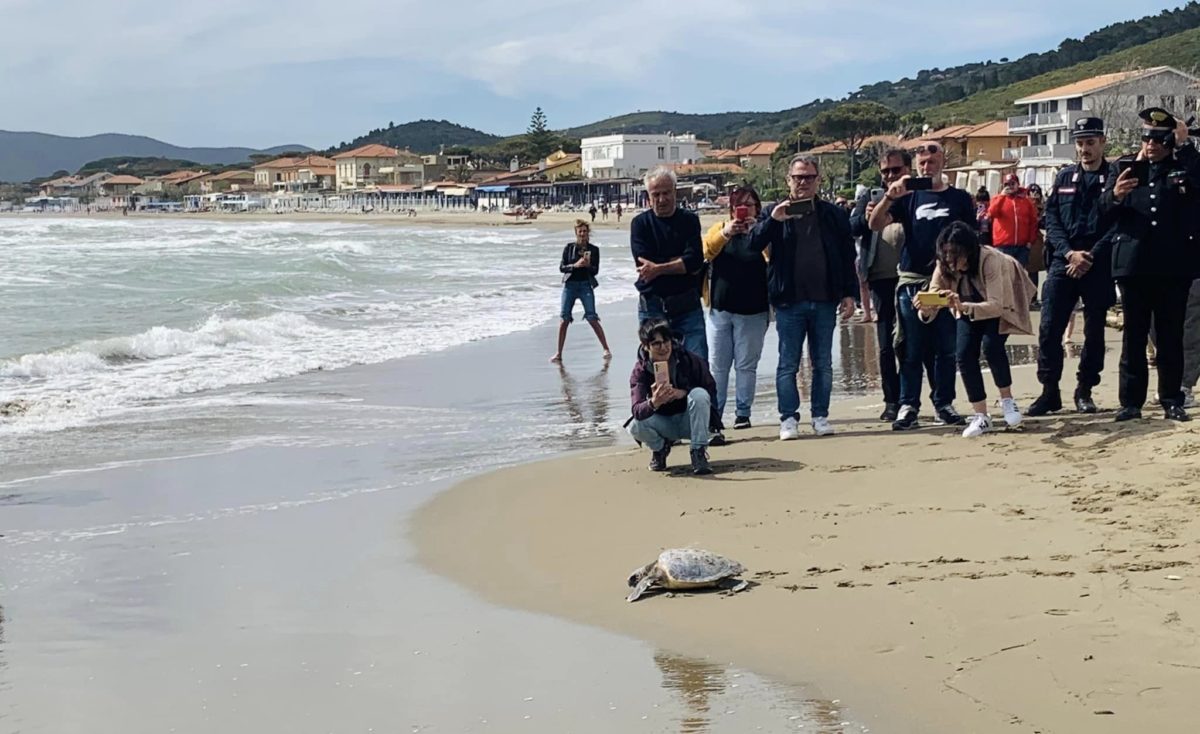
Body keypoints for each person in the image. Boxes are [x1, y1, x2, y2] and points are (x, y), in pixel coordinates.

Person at [1101, 107, 1200, 422]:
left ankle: (1172, 398)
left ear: (1170, 140)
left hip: (1173, 265)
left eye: (1158, 138)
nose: (1151, 144)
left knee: (1171, 335)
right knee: (1134, 334)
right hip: (1134, 265)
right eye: (1146, 137)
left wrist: (1185, 147)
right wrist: (1115, 196)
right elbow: (1101, 212)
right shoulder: (1125, 169)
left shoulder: (1183, 165)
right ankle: (1131, 402)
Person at [868, 141, 976, 430]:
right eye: (922, 163)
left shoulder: (960, 199)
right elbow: (875, 224)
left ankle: (944, 403)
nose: (927, 167)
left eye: (932, 161)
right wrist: (889, 198)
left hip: (947, 284)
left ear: (942, 161)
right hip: (913, 283)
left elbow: (973, 239)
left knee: (945, 349)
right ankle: (908, 406)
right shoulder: (907, 198)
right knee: (910, 348)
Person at [749, 154, 857, 439]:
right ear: (789, 180)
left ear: (818, 180)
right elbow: (753, 243)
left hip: (825, 299)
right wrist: (774, 220)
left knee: (822, 362)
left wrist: (850, 293)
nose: (804, 182)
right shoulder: (773, 211)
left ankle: (820, 416)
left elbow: (848, 255)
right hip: (789, 301)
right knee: (788, 362)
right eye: (798, 177)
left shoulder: (833, 214)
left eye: (809, 177)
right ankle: (788, 418)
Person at [1028, 116, 1116, 416]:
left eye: (1090, 142)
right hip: (1062, 263)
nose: (1085, 149)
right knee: (1049, 328)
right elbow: (1050, 219)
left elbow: (1117, 223)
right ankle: (1049, 391)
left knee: (1094, 333)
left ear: (1102, 142)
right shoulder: (1065, 177)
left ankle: (1085, 389)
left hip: (1097, 263)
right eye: (1080, 143)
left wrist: (1088, 256)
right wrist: (1068, 254)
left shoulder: (1115, 176)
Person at [924, 222, 1034, 437]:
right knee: (964, 354)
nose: (949, 259)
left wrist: (962, 306)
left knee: (992, 346)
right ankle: (981, 415)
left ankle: (1007, 400)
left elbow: (996, 305)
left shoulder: (990, 260)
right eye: (945, 252)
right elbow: (933, 296)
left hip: (998, 301)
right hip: (965, 305)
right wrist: (926, 307)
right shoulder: (944, 262)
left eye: (955, 253)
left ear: (968, 250)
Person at [851, 150, 936, 421]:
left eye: (896, 170)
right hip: (882, 280)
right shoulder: (872, 196)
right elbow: (851, 226)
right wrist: (867, 216)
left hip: (920, 278)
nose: (890, 176)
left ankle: (937, 398)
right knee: (888, 345)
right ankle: (892, 401)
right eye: (885, 171)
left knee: (925, 343)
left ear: (908, 169)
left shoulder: (919, 194)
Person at [702, 186, 770, 435]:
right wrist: (725, 233)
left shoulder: (763, 232)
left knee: (746, 365)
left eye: (750, 205)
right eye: (739, 206)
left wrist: (757, 233)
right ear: (731, 210)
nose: (744, 210)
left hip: (754, 311)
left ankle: (743, 413)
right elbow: (705, 250)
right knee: (717, 365)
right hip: (721, 309)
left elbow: (774, 257)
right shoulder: (720, 229)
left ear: (758, 208)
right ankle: (715, 414)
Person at [631, 166, 708, 358]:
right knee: (656, 368)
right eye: (656, 194)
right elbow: (644, 265)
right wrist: (678, 263)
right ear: (648, 196)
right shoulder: (640, 224)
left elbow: (695, 261)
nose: (662, 199)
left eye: (666, 193)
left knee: (697, 364)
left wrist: (659, 267)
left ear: (675, 191)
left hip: (687, 303)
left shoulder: (689, 220)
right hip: (652, 305)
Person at [627, 318, 719, 475]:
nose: (663, 347)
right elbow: (636, 410)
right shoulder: (640, 371)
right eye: (656, 343)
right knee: (634, 426)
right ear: (646, 346)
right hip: (662, 423)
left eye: (666, 341)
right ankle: (660, 449)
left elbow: (710, 388)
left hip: (690, 420)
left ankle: (698, 452)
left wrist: (683, 393)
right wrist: (654, 402)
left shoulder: (688, 359)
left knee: (699, 395)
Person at [551, 220, 612, 364]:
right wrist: (575, 265)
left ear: (588, 233)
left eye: (585, 231)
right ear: (576, 233)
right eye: (580, 232)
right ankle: (559, 353)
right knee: (564, 318)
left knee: (592, 317)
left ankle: (606, 349)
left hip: (586, 285)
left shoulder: (594, 249)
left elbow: (595, 271)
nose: (583, 234)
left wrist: (588, 265)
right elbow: (562, 267)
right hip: (570, 285)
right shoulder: (569, 248)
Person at [987, 174, 1040, 271]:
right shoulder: (997, 199)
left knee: (1019, 275)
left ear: (1017, 184)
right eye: (1007, 184)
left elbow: (1033, 222)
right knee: (1004, 274)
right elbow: (991, 213)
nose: (1010, 186)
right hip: (1003, 246)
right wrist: (1001, 197)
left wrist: (1030, 241)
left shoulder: (1026, 201)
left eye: (1012, 183)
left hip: (1022, 247)